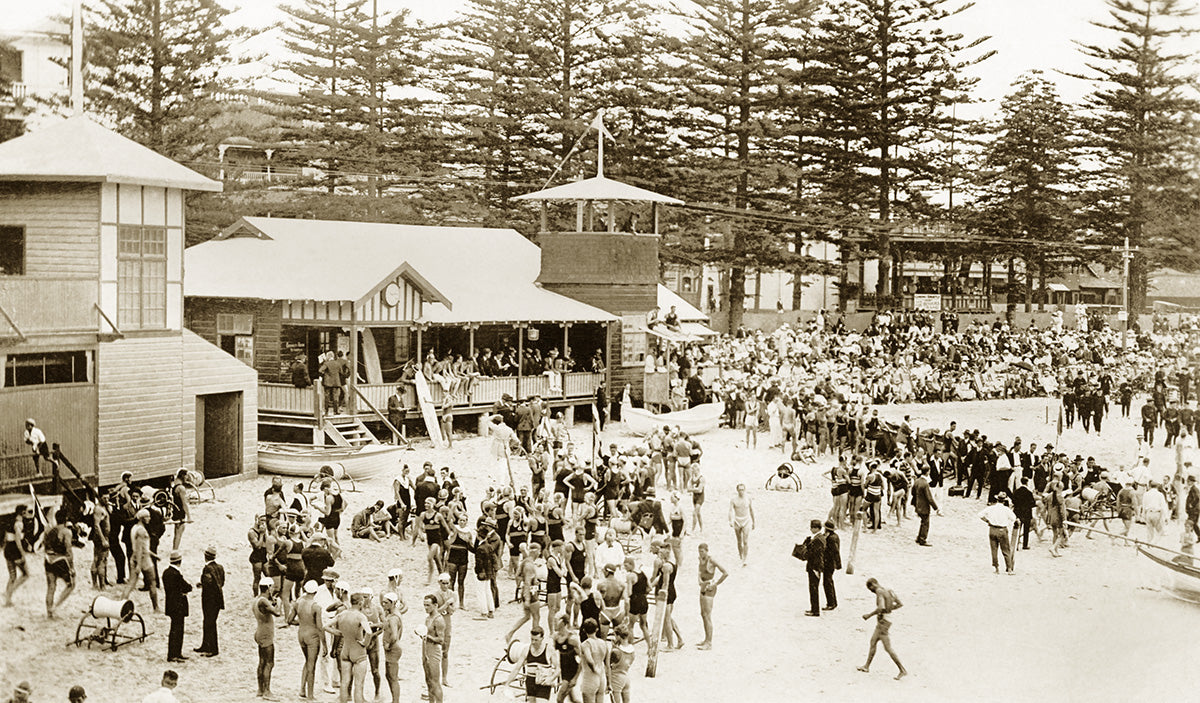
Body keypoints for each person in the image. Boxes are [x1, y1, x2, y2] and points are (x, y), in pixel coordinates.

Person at [857, 578, 907, 680]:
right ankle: (866, 666)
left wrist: (869, 615)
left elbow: (880, 607)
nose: (872, 591)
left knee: (887, 648)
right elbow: (899, 604)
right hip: (887, 620)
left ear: (874, 584)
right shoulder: (888, 590)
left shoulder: (879, 592)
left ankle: (902, 670)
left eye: (871, 588)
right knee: (873, 642)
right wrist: (888, 609)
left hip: (883, 622)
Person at [503, 626, 555, 703]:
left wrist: (551, 678)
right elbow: (517, 668)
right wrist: (507, 684)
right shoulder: (526, 650)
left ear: (542, 639)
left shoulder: (549, 650)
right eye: (532, 639)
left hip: (543, 683)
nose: (533, 642)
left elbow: (559, 668)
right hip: (530, 682)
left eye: (536, 640)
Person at [253, 576, 282, 700]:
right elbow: (277, 613)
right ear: (268, 588)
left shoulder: (257, 599)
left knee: (262, 662)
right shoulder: (264, 601)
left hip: (260, 631)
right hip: (266, 634)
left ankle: (260, 689)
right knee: (269, 663)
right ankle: (267, 691)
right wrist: (279, 603)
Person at [292, 580, 322, 700]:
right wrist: (324, 643)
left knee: (307, 662)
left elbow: (289, 620)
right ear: (315, 591)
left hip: (301, 634)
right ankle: (310, 695)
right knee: (311, 665)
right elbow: (319, 627)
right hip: (312, 636)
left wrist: (303, 622)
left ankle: (302, 690)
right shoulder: (316, 606)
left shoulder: (298, 602)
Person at [43, 507, 75, 619]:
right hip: (60, 561)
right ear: (66, 519)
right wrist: (72, 568)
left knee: (51, 587)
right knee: (71, 585)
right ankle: (55, 607)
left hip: (48, 559)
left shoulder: (50, 530)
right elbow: (69, 551)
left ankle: (49, 612)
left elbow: (44, 545)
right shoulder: (66, 532)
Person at [125, 508, 159, 611]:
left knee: (131, 584)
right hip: (144, 559)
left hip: (135, 556)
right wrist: (139, 565)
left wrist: (154, 554)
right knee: (152, 582)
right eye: (147, 517)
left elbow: (140, 547)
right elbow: (140, 549)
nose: (149, 518)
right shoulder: (141, 531)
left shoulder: (134, 528)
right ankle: (156, 607)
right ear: (142, 518)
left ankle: (121, 602)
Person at [695, 542, 728, 649]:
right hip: (703, 587)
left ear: (706, 551)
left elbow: (725, 572)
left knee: (707, 615)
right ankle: (706, 639)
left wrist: (716, 583)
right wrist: (699, 580)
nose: (700, 553)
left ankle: (709, 643)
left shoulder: (711, 560)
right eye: (699, 551)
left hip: (709, 588)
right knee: (703, 614)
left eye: (702, 551)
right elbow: (700, 572)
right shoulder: (700, 559)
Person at [162, 550, 192, 663]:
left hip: (171, 605)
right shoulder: (176, 574)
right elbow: (187, 587)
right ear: (179, 561)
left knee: (174, 630)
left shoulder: (166, 573)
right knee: (178, 630)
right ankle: (175, 654)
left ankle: (174, 653)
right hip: (178, 606)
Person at [979, 496, 1017, 574]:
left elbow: (980, 515)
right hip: (1002, 530)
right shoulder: (1006, 510)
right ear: (1004, 501)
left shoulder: (991, 508)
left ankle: (996, 568)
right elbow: (1013, 518)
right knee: (1006, 550)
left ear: (997, 500)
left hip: (992, 529)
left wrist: (987, 521)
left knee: (994, 549)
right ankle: (1009, 569)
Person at [420, 594, 445, 703]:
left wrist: (428, 637)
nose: (426, 607)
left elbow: (441, 640)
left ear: (435, 605)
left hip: (434, 651)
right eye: (424, 605)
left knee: (435, 682)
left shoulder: (438, 620)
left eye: (428, 605)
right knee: (428, 681)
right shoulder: (428, 618)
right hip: (426, 650)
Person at [3, 504, 30, 607]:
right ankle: (9, 593)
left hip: (8, 550)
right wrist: (23, 554)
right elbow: (18, 540)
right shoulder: (19, 524)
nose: (28, 513)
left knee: (12, 576)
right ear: (23, 512)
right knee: (25, 574)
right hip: (15, 551)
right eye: (27, 511)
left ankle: (8, 597)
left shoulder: (11, 520)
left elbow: (6, 537)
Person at [578, 618, 609, 703]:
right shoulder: (603, 643)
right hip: (602, 677)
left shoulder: (585, 644)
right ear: (597, 629)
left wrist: (594, 669)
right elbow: (608, 665)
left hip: (590, 677)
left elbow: (590, 660)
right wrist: (609, 682)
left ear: (584, 630)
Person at [381, 591, 403, 703]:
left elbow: (394, 635)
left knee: (392, 677)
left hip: (393, 649)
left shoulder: (393, 617)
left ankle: (395, 701)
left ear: (393, 603)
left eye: (385, 603)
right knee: (389, 675)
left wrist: (388, 645)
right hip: (394, 648)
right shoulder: (393, 614)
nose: (383, 604)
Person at [800, 519, 825, 616]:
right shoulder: (819, 538)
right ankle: (814, 609)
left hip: (814, 567)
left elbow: (815, 555)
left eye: (812, 527)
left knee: (813, 589)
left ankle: (815, 610)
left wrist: (815, 569)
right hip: (815, 567)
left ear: (816, 528)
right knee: (813, 588)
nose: (811, 529)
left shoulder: (817, 540)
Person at [728, 483, 755, 566]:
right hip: (737, 521)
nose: (741, 492)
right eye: (740, 490)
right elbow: (730, 510)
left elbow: (751, 510)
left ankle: (745, 559)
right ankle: (741, 556)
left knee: (745, 541)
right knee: (739, 541)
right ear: (737, 490)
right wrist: (730, 520)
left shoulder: (748, 499)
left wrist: (754, 521)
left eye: (742, 490)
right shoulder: (734, 500)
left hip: (746, 520)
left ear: (745, 490)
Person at [911, 467, 937, 547]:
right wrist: (935, 507)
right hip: (924, 506)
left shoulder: (917, 481)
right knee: (925, 523)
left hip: (918, 504)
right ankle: (922, 539)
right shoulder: (925, 483)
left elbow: (913, 492)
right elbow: (929, 498)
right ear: (927, 472)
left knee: (923, 522)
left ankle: (919, 537)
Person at [822, 520, 842, 611]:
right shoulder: (834, 536)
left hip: (829, 563)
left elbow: (835, 552)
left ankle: (831, 603)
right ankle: (833, 602)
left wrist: (838, 563)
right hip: (831, 562)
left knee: (827, 582)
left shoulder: (831, 538)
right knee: (829, 582)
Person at [169, 469, 191, 551]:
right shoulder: (181, 488)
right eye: (186, 476)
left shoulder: (175, 485)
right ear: (182, 476)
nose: (187, 478)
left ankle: (174, 548)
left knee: (177, 532)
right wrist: (189, 517)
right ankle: (175, 550)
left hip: (175, 511)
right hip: (180, 512)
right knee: (179, 531)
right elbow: (184, 504)